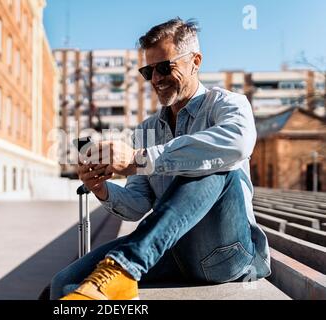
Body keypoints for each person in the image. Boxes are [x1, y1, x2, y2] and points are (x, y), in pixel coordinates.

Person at [51, 17, 271, 300]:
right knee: (64, 283)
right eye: (148, 71)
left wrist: (139, 159)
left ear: (196, 61)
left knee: (212, 166)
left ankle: (125, 266)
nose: (156, 79)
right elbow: (137, 205)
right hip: (170, 251)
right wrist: (101, 189)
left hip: (226, 254)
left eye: (165, 67)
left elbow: (237, 144)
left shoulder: (228, 104)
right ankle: (123, 270)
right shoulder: (146, 130)